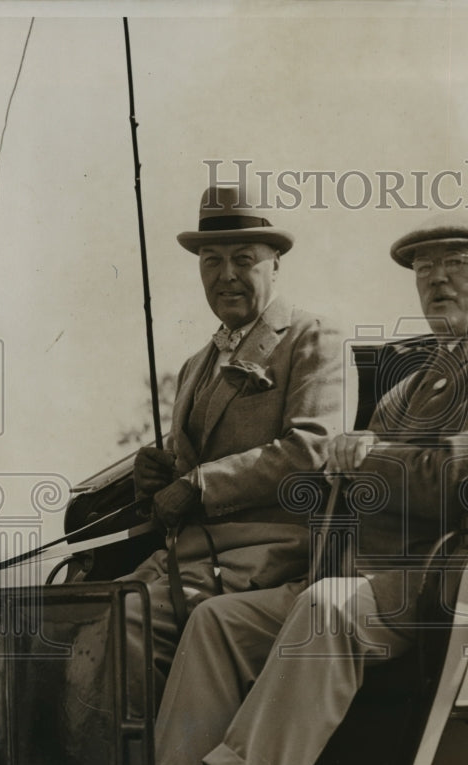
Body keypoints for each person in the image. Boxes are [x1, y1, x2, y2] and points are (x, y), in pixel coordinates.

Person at [154, 213, 468, 765]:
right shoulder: (409, 385)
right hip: (362, 577)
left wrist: (372, 456)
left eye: (456, 265)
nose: (436, 278)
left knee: (325, 609)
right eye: (424, 268)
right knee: (218, 621)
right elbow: (352, 487)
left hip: (441, 582)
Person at [121, 185, 351, 700]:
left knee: (120, 624)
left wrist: (200, 484)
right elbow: (184, 477)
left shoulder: (313, 338)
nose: (225, 275)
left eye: (243, 258)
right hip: (187, 562)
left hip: (271, 562)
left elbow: (311, 450)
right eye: (210, 261)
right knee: (83, 616)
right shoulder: (193, 365)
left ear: (275, 264)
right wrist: (156, 478)